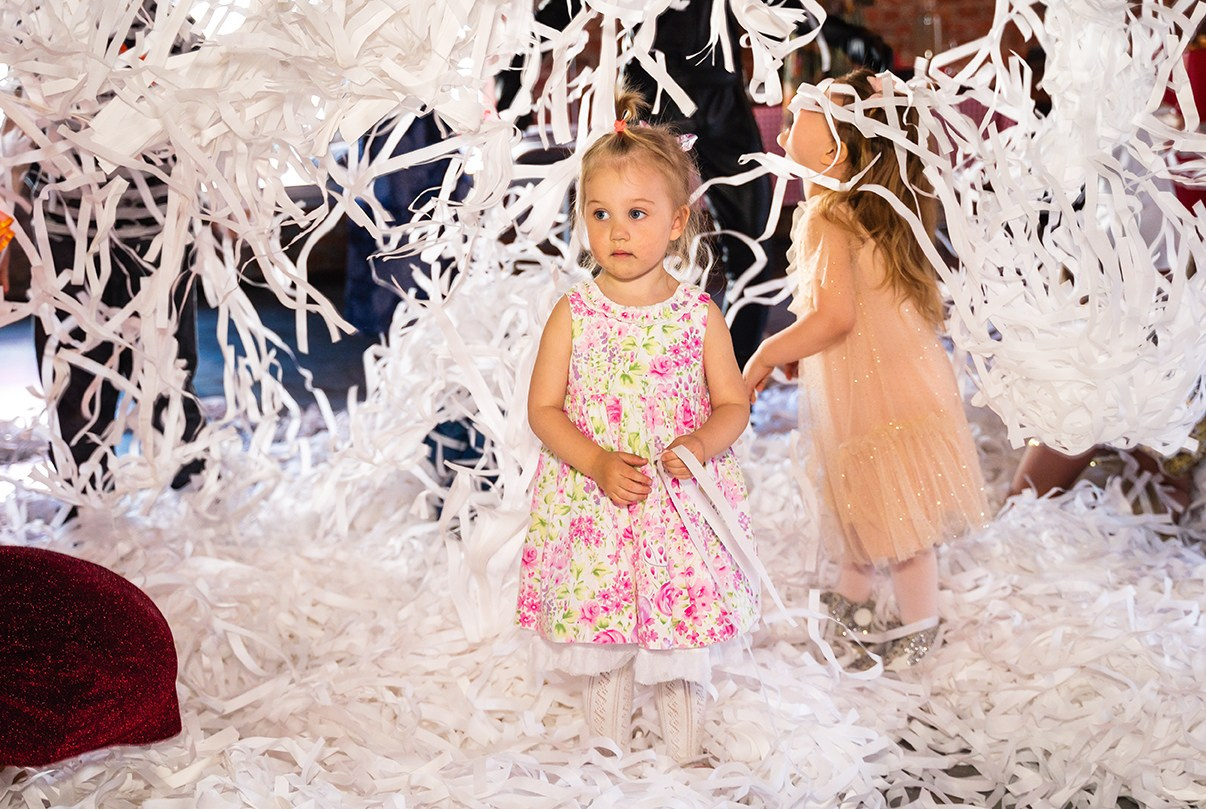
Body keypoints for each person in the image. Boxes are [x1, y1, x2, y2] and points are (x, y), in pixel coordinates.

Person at [516, 88, 760, 763]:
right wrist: (593, 460)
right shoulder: (574, 312)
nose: (618, 231)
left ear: (678, 221)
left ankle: (682, 754)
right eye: (601, 214)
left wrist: (700, 443)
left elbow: (733, 403)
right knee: (605, 632)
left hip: (676, 506)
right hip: (598, 501)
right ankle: (605, 753)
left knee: (678, 630)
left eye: (637, 214)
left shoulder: (698, 314)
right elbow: (543, 409)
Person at [743, 68, 988, 670]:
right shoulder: (870, 210)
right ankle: (852, 602)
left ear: (835, 149)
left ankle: (920, 627)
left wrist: (767, 353)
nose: (787, 123)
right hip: (893, 375)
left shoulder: (830, 217)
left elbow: (835, 318)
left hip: (874, 388)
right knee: (865, 499)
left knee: (896, 513)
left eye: (801, 118)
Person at [10, 1, 206, 509]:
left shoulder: (166, 22)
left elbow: (208, 112)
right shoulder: (38, 21)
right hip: (66, 240)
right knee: (73, 374)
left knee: (168, 366)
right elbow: (17, 131)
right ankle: (83, 493)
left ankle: (190, 480)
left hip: (157, 239)